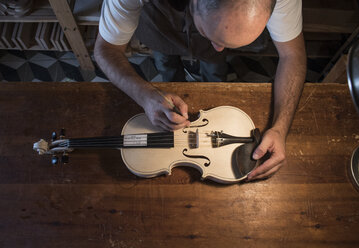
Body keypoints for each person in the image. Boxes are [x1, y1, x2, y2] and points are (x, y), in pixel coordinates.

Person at [94, 0, 307, 181]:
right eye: (209, 33)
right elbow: (105, 49)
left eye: (228, 43)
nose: (219, 48)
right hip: (159, 26)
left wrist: (280, 128)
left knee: (214, 63)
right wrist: (145, 95)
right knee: (166, 64)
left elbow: (293, 56)